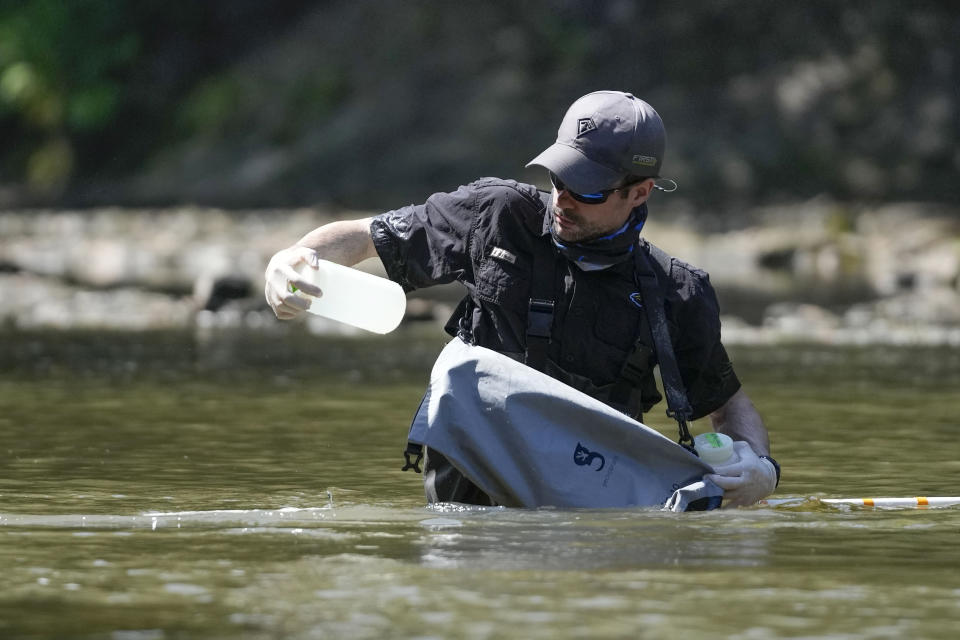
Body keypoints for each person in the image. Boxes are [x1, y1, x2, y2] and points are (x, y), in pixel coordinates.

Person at [264, 90, 779, 508]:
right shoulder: (496, 215)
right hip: (465, 515)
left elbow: (727, 409)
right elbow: (364, 236)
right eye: (558, 177)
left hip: (592, 524)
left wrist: (761, 469)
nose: (564, 198)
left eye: (589, 189)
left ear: (639, 193)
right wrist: (294, 258)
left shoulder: (677, 293)